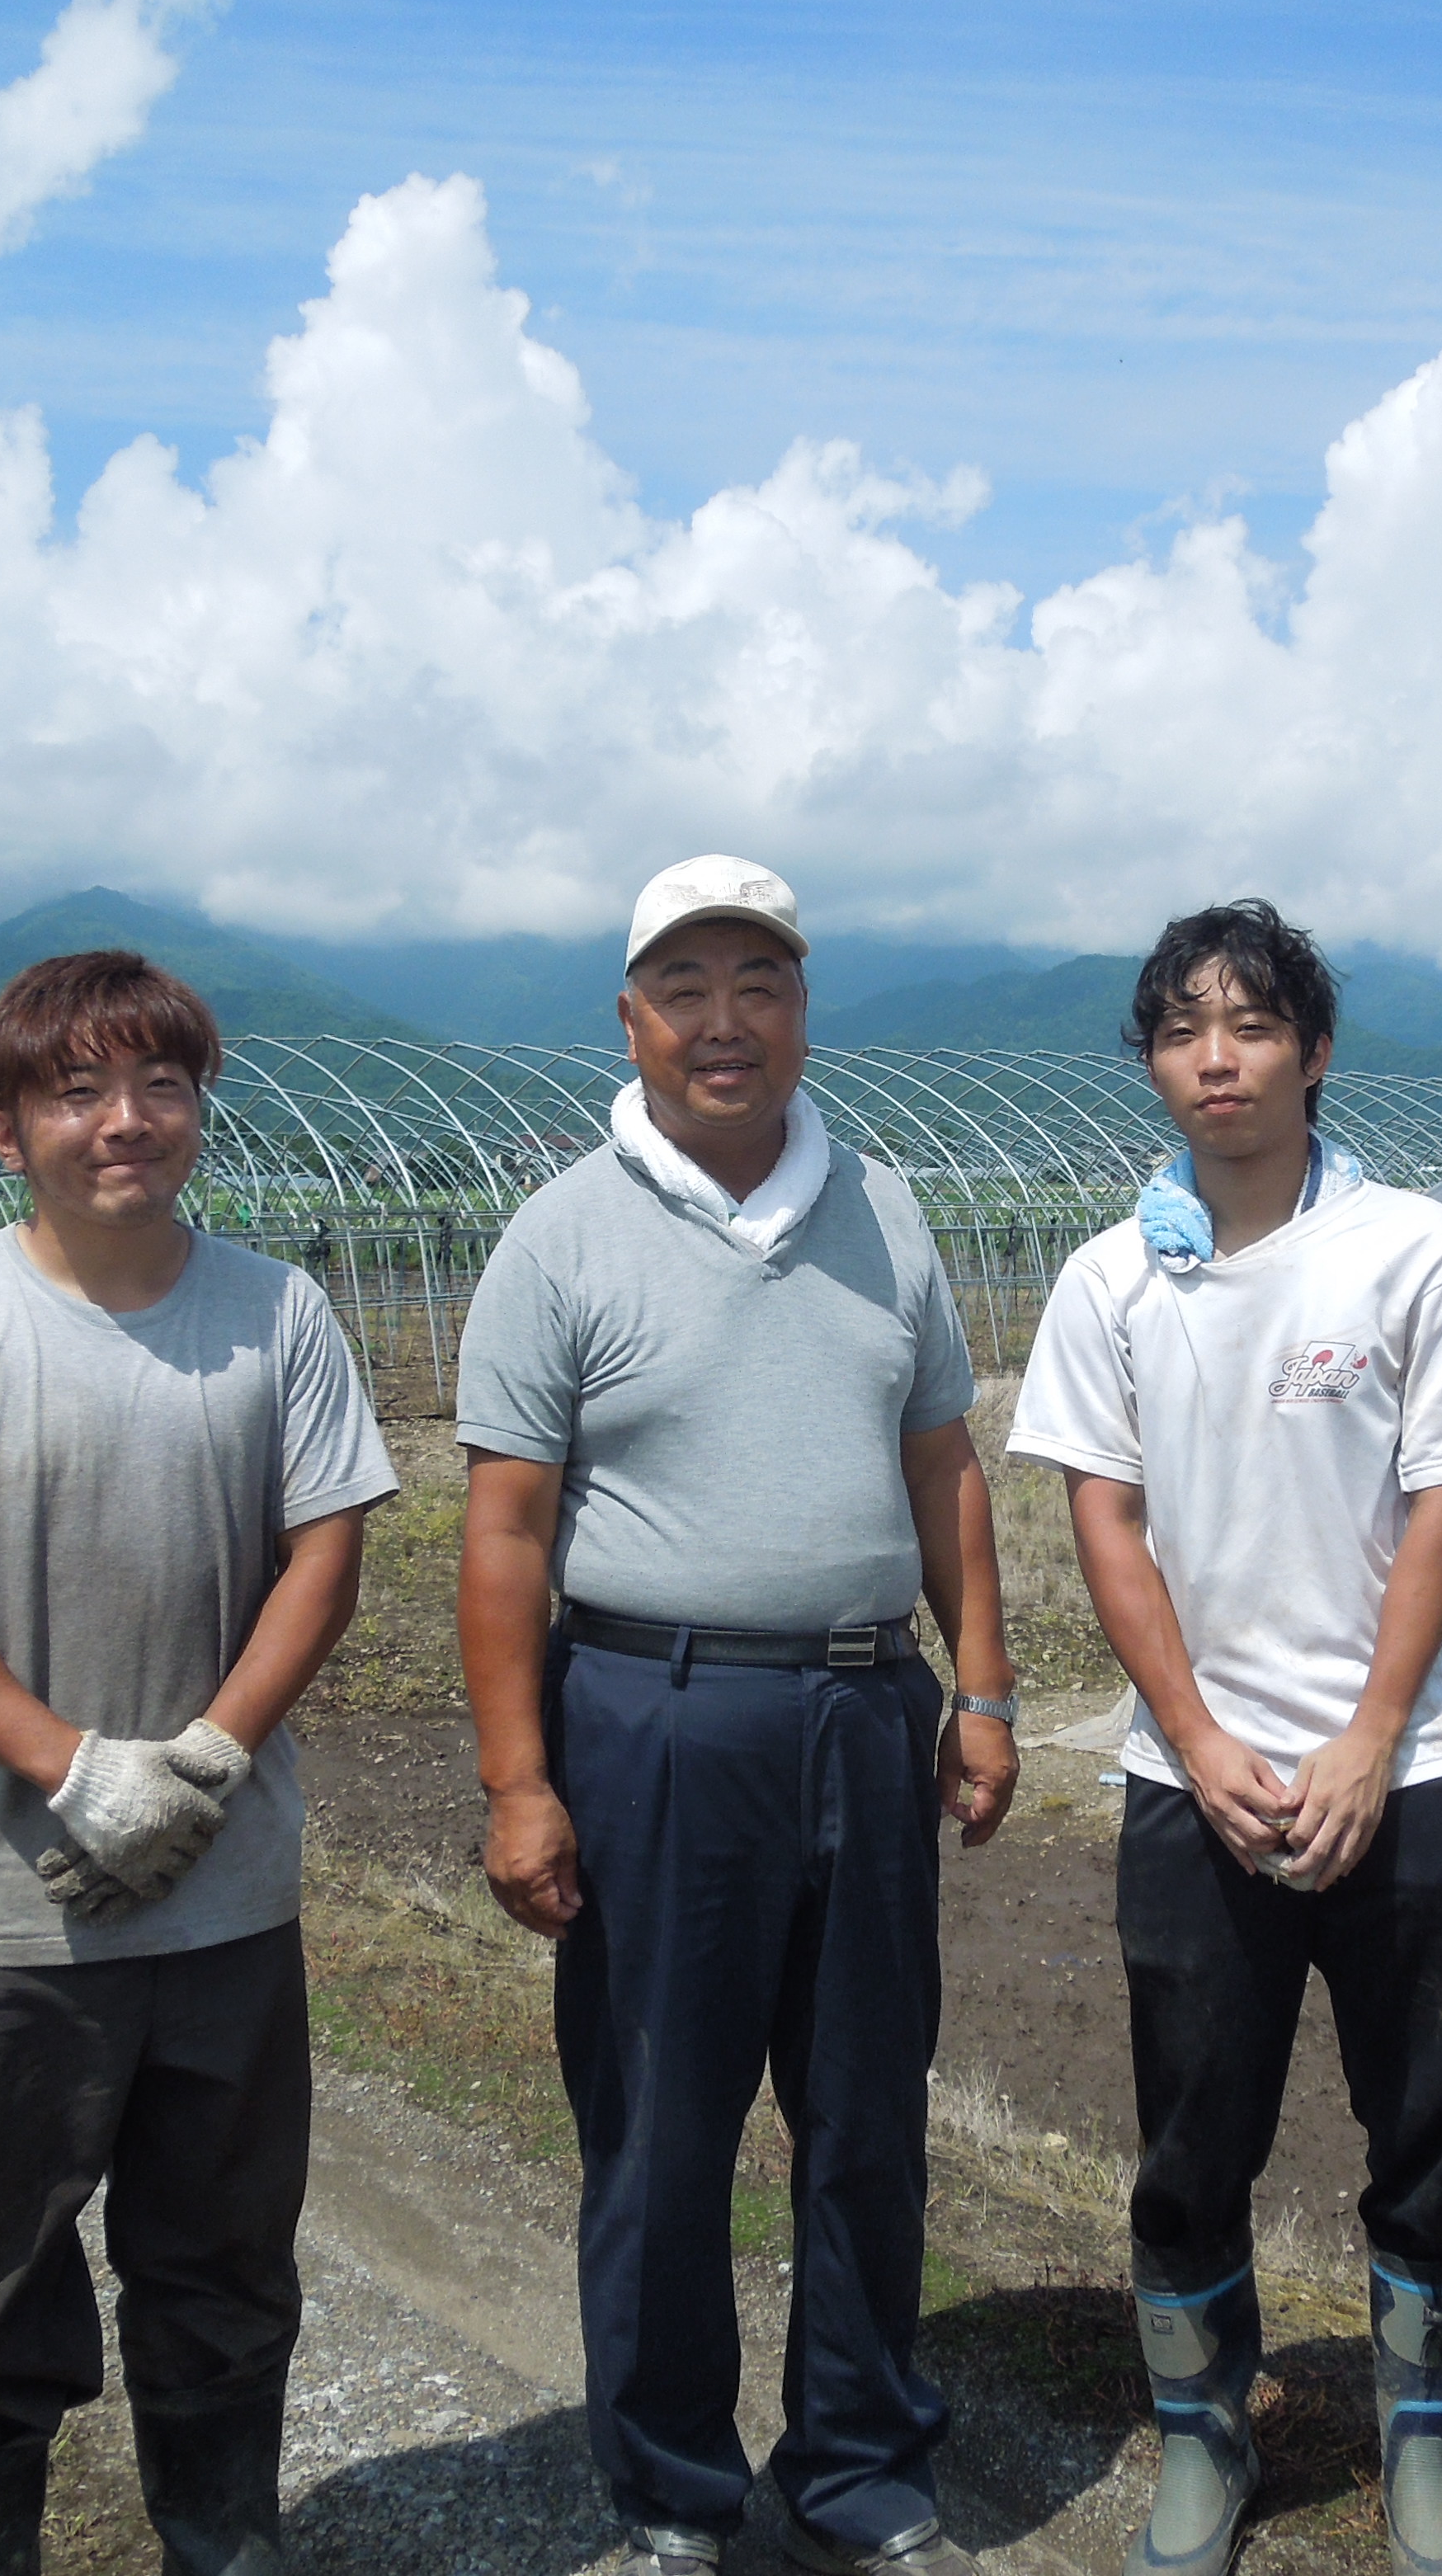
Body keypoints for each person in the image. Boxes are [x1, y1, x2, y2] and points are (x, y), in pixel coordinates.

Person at [456, 854, 1022, 2576]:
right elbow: (503, 1530)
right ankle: (677, 2498)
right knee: (662, 2133)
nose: (725, 1021)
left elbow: (947, 1469)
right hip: (655, 1717)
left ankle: (859, 2473)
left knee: (867, 2120)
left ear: (800, 1009)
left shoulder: (886, 1209)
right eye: (685, 987)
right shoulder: (562, 1235)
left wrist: (982, 1690)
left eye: (758, 983)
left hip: (865, 1716)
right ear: (630, 1019)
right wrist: (517, 1782)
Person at [0, 949, 398, 2576]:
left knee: (221, 2263)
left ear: (200, 1105)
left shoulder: (277, 1309)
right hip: (12, 1907)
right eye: (75, 1093)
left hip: (224, 1900)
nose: (122, 1123)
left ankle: (223, 2538)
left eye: (158, 1085)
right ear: (9, 1130)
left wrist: (204, 1760)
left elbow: (326, 1553)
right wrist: (77, 1770)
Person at [1007, 902, 1442, 2576]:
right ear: (1153, 1062)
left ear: (1313, 1051)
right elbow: (1108, 1518)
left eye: (1249, 1024)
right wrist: (1192, 1733)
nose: (1213, 1057)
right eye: (1180, 1028)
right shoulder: (1113, 1278)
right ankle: (1205, 2438)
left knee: (1434, 2122)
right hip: (1197, 1791)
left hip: (1411, 1777)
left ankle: (1424, 2453)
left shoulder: (1411, 1250)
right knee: (1191, 2134)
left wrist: (1376, 1738)